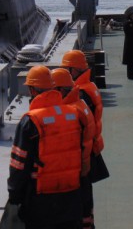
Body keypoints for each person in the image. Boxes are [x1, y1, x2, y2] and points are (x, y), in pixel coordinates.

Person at [8, 66, 83, 229]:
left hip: (41, 202)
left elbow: (19, 164)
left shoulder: (31, 121)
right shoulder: (73, 114)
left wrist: (14, 195)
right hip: (71, 197)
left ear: (32, 90)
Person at [61, 50, 110, 228]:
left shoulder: (81, 93)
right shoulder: (89, 86)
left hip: (85, 153)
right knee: (85, 198)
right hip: (93, 146)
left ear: (74, 70)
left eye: (67, 69)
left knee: (82, 196)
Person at [52, 68, 96, 229]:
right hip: (84, 172)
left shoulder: (69, 113)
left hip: (72, 178)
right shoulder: (80, 103)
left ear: (60, 90)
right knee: (85, 217)